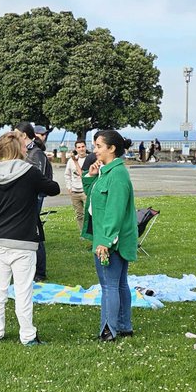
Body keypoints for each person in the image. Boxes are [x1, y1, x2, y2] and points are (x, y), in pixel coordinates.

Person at [0, 131, 60, 344]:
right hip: (23, 240)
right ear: (18, 150)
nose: (27, 148)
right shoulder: (30, 173)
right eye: (24, 146)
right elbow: (53, 189)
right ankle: (27, 335)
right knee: (23, 290)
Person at [82, 129, 138, 341]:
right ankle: (124, 325)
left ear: (112, 149)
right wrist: (90, 176)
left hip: (111, 240)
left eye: (98, 146)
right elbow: (93, 197)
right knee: (119, 283)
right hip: (110, 237)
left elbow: (114, 211)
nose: (94, 150)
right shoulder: (108, 172)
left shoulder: (117, 175)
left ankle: (108, 330)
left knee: (109, 286)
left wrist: (105, 241)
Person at [18, 123, 52, 280]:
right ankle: (31, 268)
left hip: (34, 196)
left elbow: (38, 177)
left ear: (24, 135)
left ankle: (39, 271)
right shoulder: (28, 151)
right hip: (26, 196)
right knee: (28, 232)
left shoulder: (36, 153)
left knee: (34, 233)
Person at [63, 139, 94, 235]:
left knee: (91, 213)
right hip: (74, 192)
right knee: (79, 215)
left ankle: (92, 232)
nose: (81, 149)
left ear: (86, 147)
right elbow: (67, 174)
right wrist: (69, 187)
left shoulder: (90, 159)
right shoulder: (71, 161)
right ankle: (83, 233)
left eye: (83, 147)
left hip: (86, 192)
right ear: (76, 149)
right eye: (79, 147)